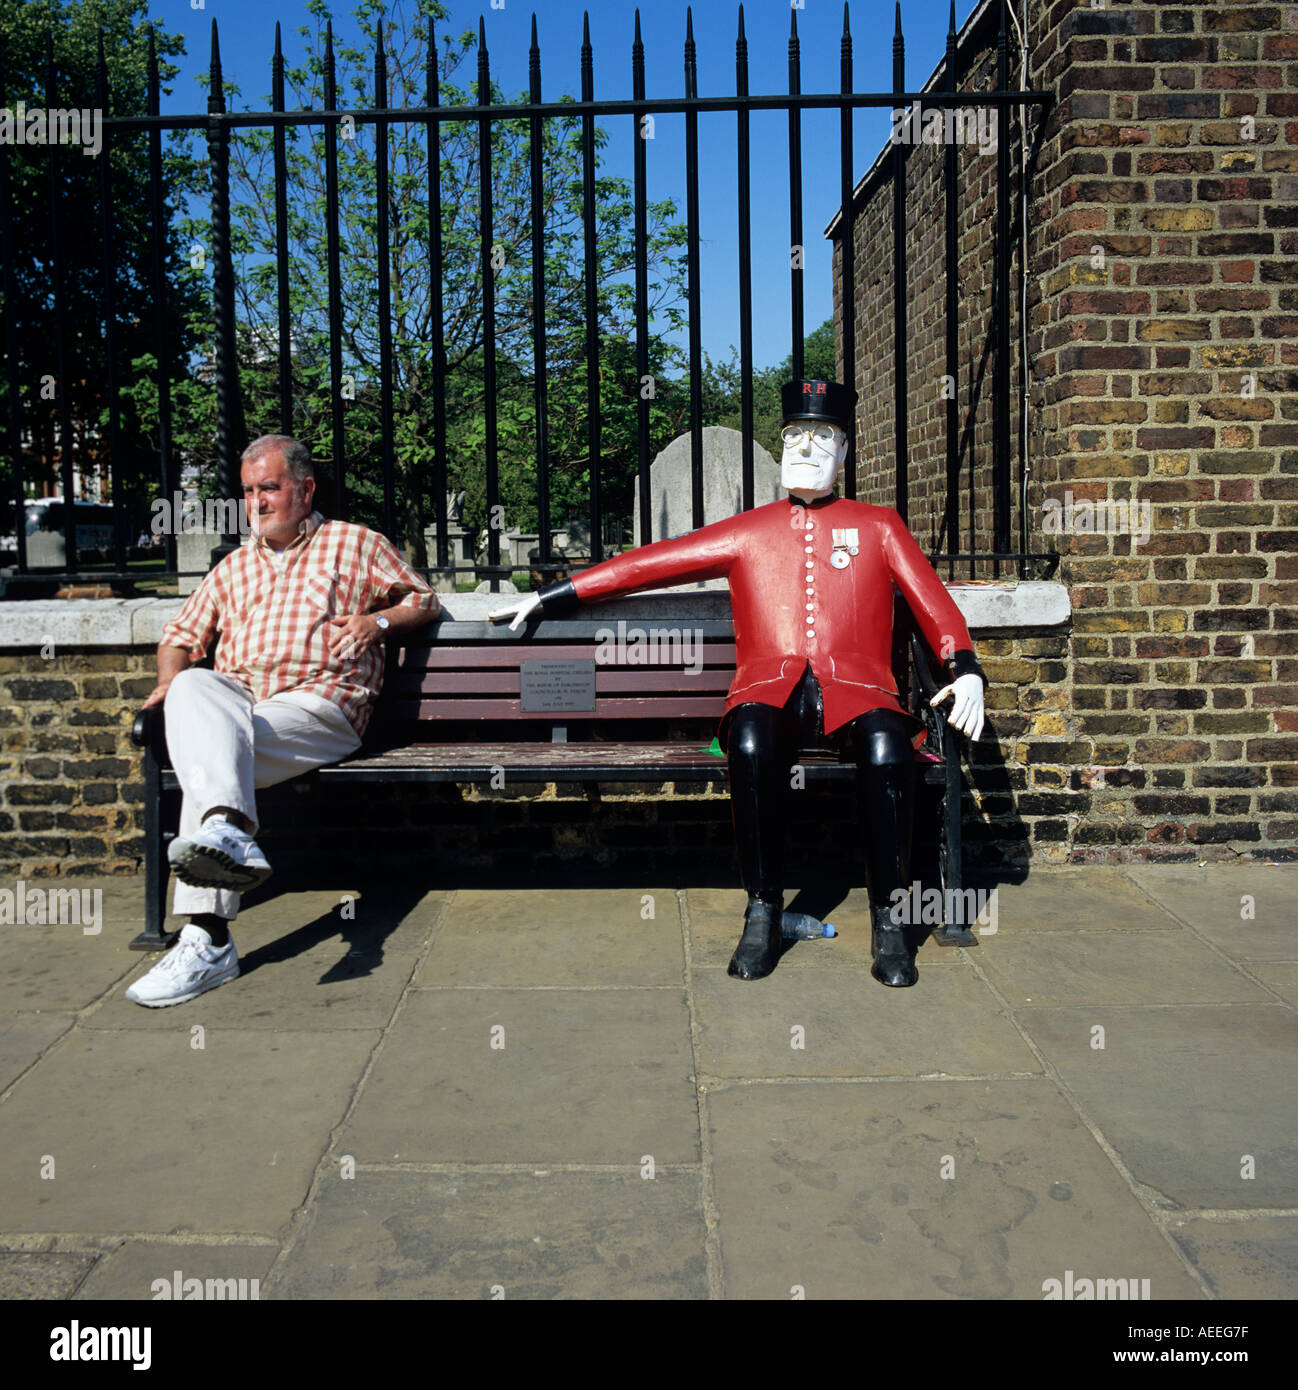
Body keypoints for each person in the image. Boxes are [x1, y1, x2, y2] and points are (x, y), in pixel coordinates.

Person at [492, 381, 985, 988]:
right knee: (749, 740)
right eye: (795, 437)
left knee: (889, 751)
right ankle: (763, 908)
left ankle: (889, 918)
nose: (806, 447)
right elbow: (653, 562)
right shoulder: (748, 529)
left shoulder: (879, 525)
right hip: (770, 687)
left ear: (845, 452)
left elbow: (934, 604)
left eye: (821, 437)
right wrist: (556, 593)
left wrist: (965, 670)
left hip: (859, 690)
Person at [125, 434, 440, 1007]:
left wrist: (379, 624)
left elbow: (423, 599)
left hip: (319, 706)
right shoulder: (233, 567)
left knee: (213, 762)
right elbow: (179, 637)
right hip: (240, 708)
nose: (257, 502)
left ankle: (207, 939)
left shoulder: (355, 544)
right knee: (196, 687)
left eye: (268, 487)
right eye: (248, 491)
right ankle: (224, 841)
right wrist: (171, 679)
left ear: (304, 488)